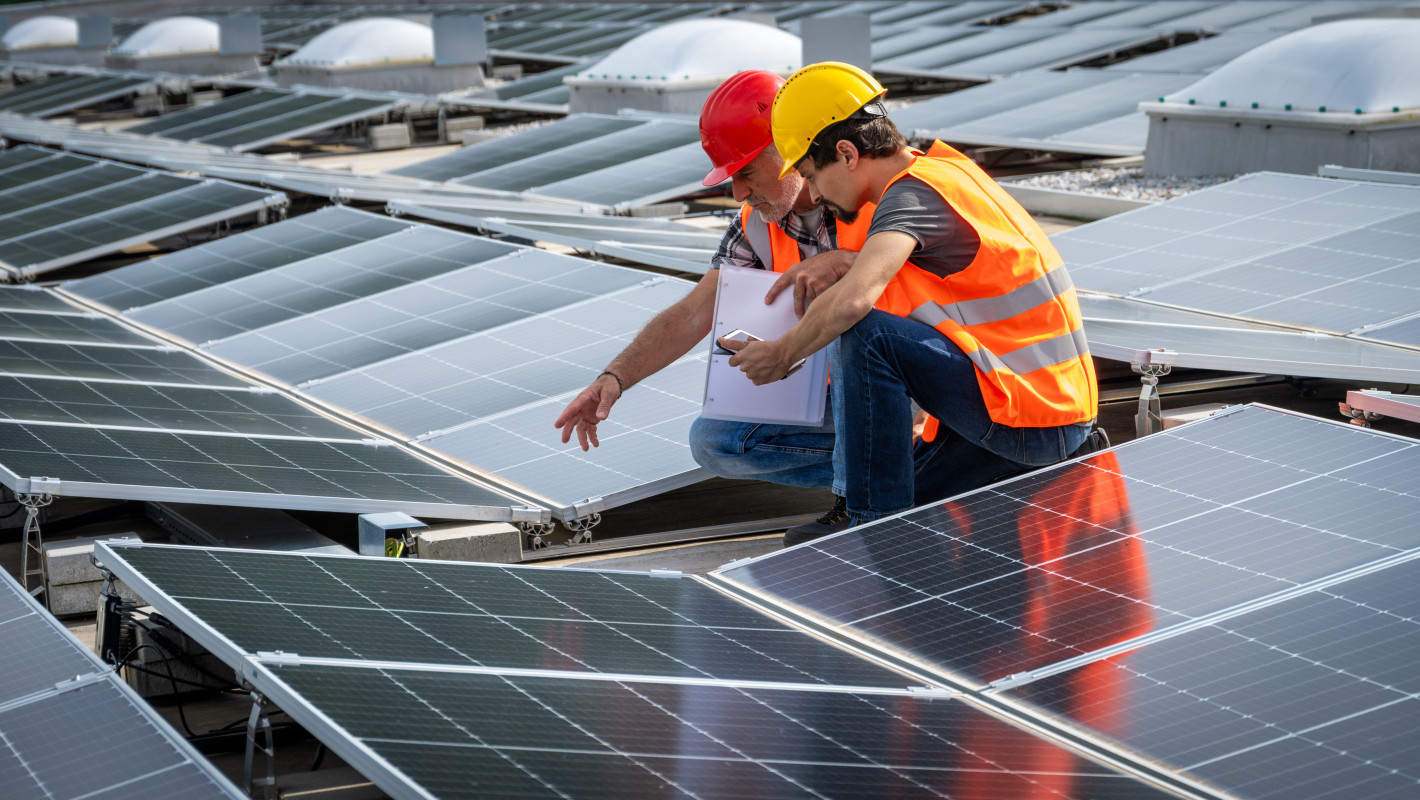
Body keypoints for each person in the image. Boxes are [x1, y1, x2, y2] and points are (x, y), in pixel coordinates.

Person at [720, 61, 1098, 542]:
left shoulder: (911, 199)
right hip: (1035, 413)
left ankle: (869, 523)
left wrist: (782, 354)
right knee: (909, 505)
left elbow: (855, 304)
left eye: (813, 175)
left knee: (864, 333)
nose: (812, 193)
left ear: (847, 153)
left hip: (1032, 419)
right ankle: (885, 520)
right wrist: (846, 260)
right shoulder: (940, 173)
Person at [553, 70, 872, 508]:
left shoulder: (872, 194)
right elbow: (693, 313)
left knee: (847, 320)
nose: (739, 192)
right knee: (716, 441)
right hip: (838, 398)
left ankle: (868, 493)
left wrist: (844, 265)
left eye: (747, 172)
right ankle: (906, 468)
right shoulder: (758, 223)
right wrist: (614, 378)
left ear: (787, 149)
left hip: (911, 386)